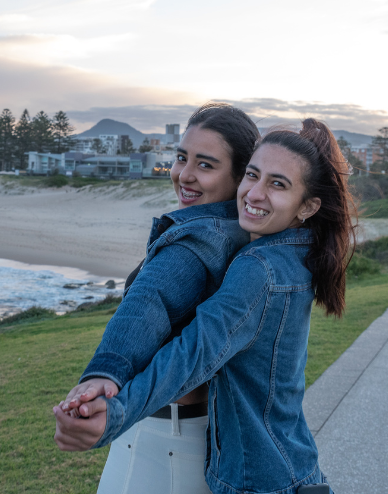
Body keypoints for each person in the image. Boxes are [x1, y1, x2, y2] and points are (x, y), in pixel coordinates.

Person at [55, 118, 355, 494]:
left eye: (278, 184)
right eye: (254, 176)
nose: (255, 193)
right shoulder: (291, 250)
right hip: (287, 464)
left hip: (252, 477)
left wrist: (116, 407)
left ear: (308, 205)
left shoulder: (257, 265)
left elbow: (196, 347)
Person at [59, 103, 260, 494]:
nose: (184, 175)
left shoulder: (196, 242)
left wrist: (105, 371)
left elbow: (149, 303)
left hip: (159, 444)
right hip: (207, 437)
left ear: (240, 176)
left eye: (205, 165)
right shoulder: (247, 235)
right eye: (181, 158)